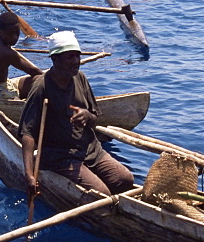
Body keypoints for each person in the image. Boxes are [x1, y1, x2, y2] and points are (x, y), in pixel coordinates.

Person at [19, 30, 134, 197]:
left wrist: (87, 116)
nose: (76, 62)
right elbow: (27, 133)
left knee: (125, 179)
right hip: (61, 156)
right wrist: (29, 175)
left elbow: (94, 120)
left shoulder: (80, 78)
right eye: (70, 57)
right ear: (55, 59)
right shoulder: (41, 87)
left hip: (90, 149)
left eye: (77, 56)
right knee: (100, 193)